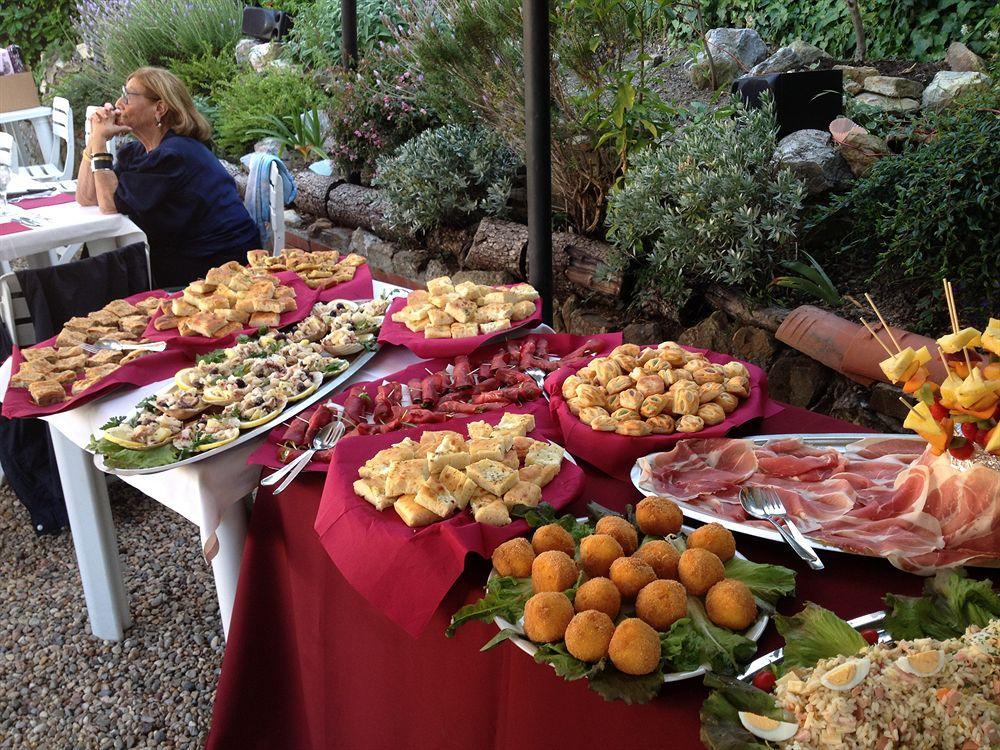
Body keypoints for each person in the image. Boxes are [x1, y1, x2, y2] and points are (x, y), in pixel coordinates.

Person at [76, 67, 260, 287]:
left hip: (221, 268)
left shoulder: (175, 155)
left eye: (128, 96)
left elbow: (108, 203)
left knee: (104, 274)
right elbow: (87, 197)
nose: (118, 102)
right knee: (103, 266)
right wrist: (95, 138)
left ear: (160, 108)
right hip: (187, 257)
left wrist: (99, 141)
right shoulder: (140, 152)